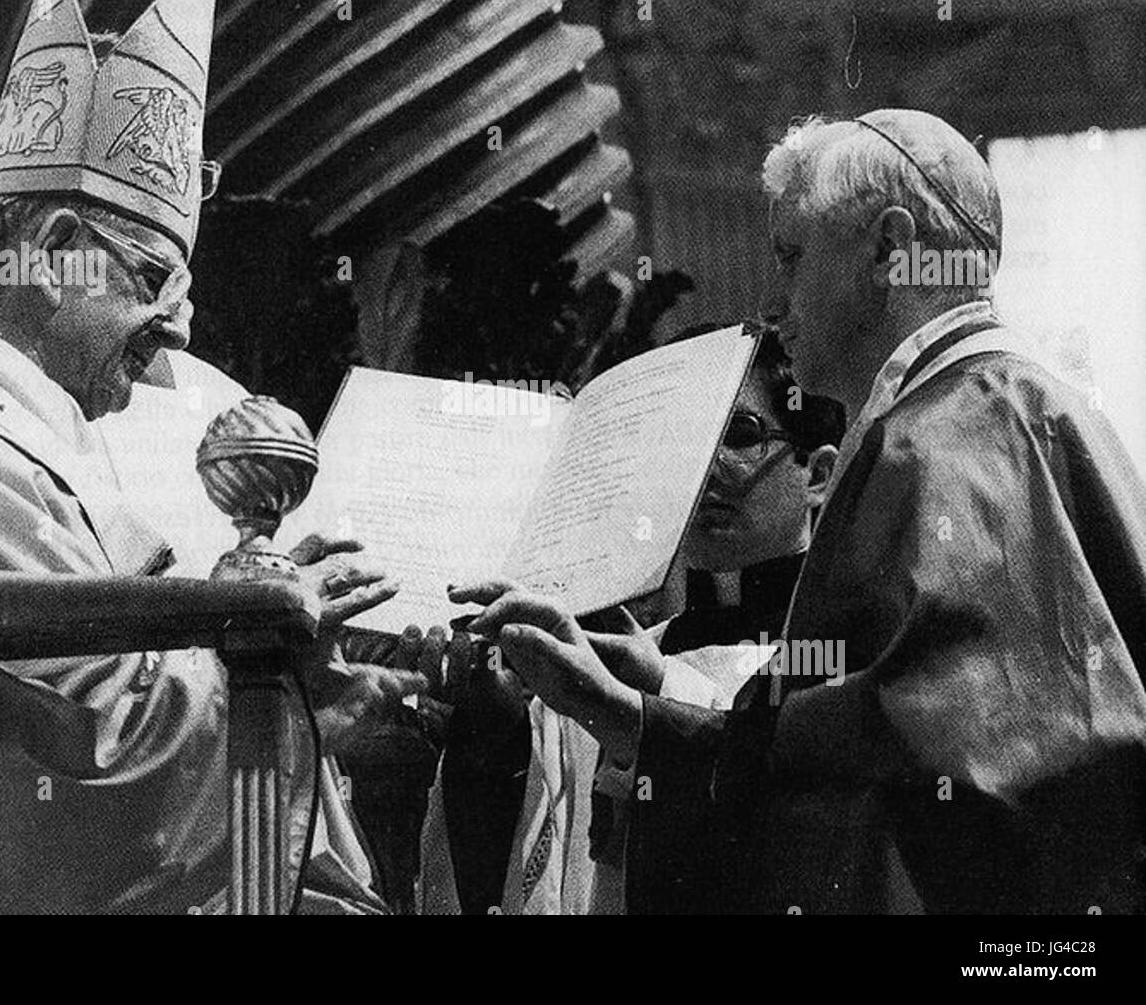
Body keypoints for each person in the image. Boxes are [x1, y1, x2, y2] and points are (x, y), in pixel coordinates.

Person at [0, 0, 422, 915]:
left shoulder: (36, 440)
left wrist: (295, 665)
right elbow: (107, 752)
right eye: (153, 275)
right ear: (59, 242)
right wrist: (297, 698)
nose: (179, 331)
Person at [454, 108, 1146, 914]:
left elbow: (912, 785)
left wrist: (656, 729)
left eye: (792, 257)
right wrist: (636, 709)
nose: (775, 302)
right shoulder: (1021, 409)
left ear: (891, 250)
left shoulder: (939, 441)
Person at [422, 329, 843, 913]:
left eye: (740, 434)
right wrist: (493, 737)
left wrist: (657, 697)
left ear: (818, 476)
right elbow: (543, 879)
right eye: (688, 437)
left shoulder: (836, 657)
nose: (703, 465)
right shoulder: (607, 655)